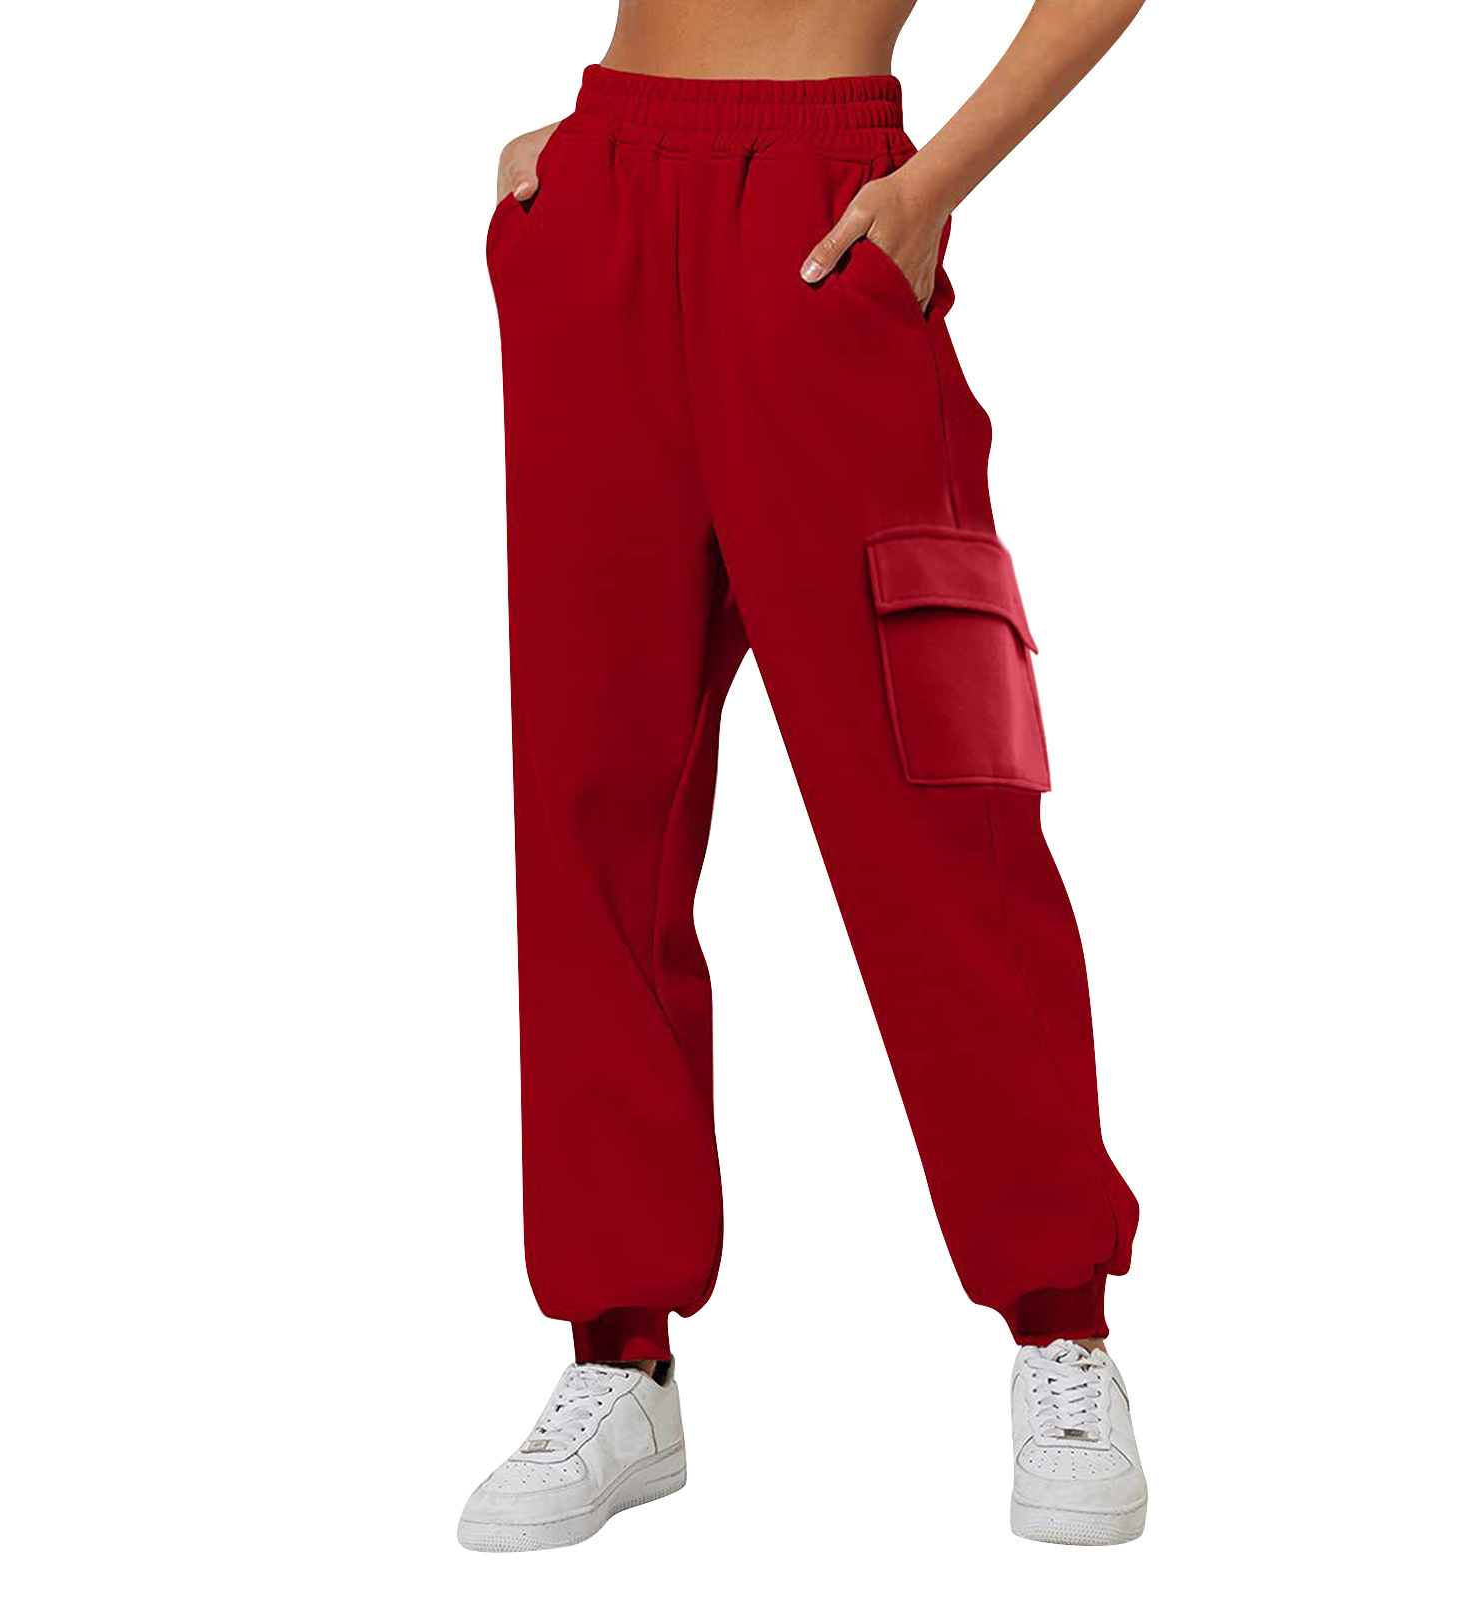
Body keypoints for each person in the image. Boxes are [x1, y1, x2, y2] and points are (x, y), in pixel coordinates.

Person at [460, 0, 1148, 1550]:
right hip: (605, 206)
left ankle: (1061, 1325)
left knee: (940, 796)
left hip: (829, 219)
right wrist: (589, 157)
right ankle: (619, 1356)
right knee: (592, 808)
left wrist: (931, 190)